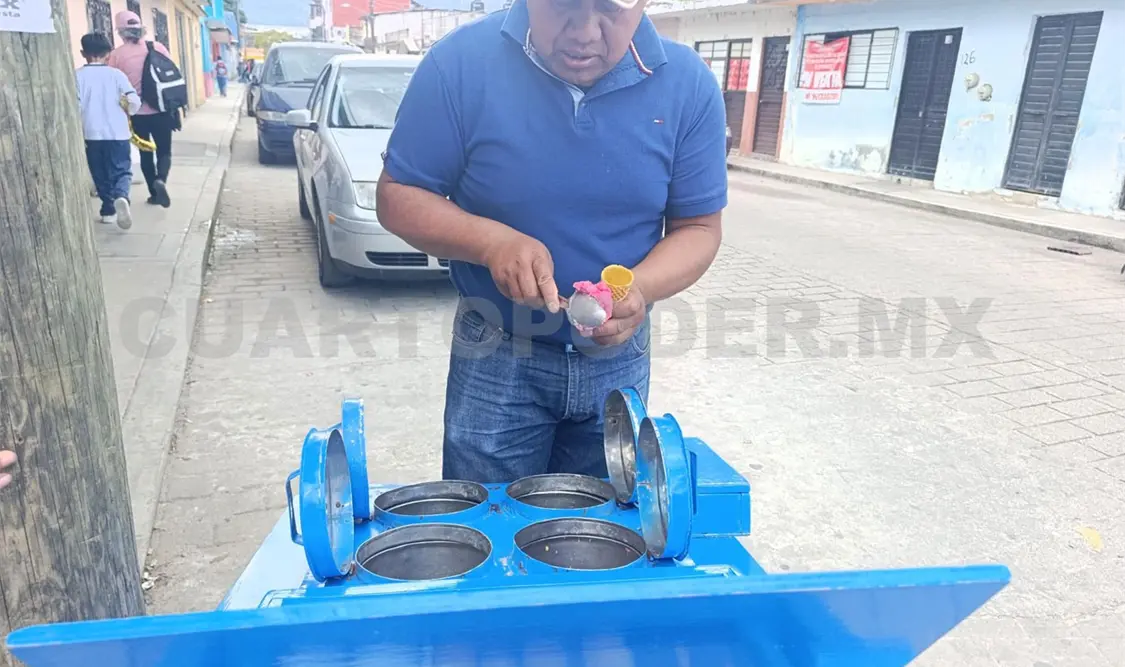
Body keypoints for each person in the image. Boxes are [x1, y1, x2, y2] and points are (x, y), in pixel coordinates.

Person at [376, 0, 726, 483]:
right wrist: (489, 242)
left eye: (608, 11)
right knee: (487, 528)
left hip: (617, 363)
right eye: (562, 5)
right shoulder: (459, 65)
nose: (583, 32)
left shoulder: (687, 85)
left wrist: (639, 289)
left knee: (603, 533)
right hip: (496, 355)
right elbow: (398, 195)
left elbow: (700, 229)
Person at [108, 10, 173, 209]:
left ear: (120, 32)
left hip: (136, 114)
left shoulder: (116, 55)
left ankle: (154, 194)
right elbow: (170, 76)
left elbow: (114, 86)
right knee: (164, 151)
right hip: (161, 110)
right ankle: (161, 179)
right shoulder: (158, 47)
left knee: (146, 154)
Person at [76, 32, 140, 229]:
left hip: (91, 133)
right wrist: (127, 109)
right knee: (121, 170)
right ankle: (121, 195)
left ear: (83, 53)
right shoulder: (116, 75)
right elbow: (133, 102)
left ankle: (108, 209)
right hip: (117, 132)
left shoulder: (76, 76)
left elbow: (75, 106)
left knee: (99, 172)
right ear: (108, 54)